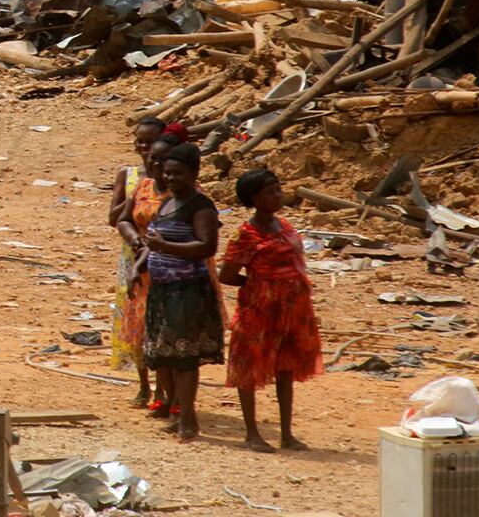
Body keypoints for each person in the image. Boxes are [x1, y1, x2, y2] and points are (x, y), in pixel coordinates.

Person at [219, 168, 323, 452]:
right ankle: (252, 433)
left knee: (286, 369)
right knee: (248, 369)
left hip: (292, 309)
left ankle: (287, 434)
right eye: (271, 192)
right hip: (259, 309)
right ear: (255, 198)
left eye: (279, 189)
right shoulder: (246, 234)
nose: (279, 195)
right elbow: (226, 274)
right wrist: (260, 284)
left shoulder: (285, 226)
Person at [137, 142, 225, 441]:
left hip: (187, 290)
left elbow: (207, 246)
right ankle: (178, 413)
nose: (171, 178)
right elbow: (152, 240)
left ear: (194, 173)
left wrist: (166, 247)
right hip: (162, 289)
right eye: (168, 173)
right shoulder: (167, 203)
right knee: (166, 355)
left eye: (178, 173)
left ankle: (188, 419)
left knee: (186, 357)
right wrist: (142, 264)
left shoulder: (201, 207)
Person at [108, 116, 166, 406]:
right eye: (140, 141)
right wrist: (135, 196)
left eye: (150, 141)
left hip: (163, 259)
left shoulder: (171, 174)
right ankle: (144, 385)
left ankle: (163, 390)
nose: (144, 146)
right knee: (136, 324)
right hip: (132, 258)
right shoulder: (129, 174)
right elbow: (114, 217)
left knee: (160, 323)